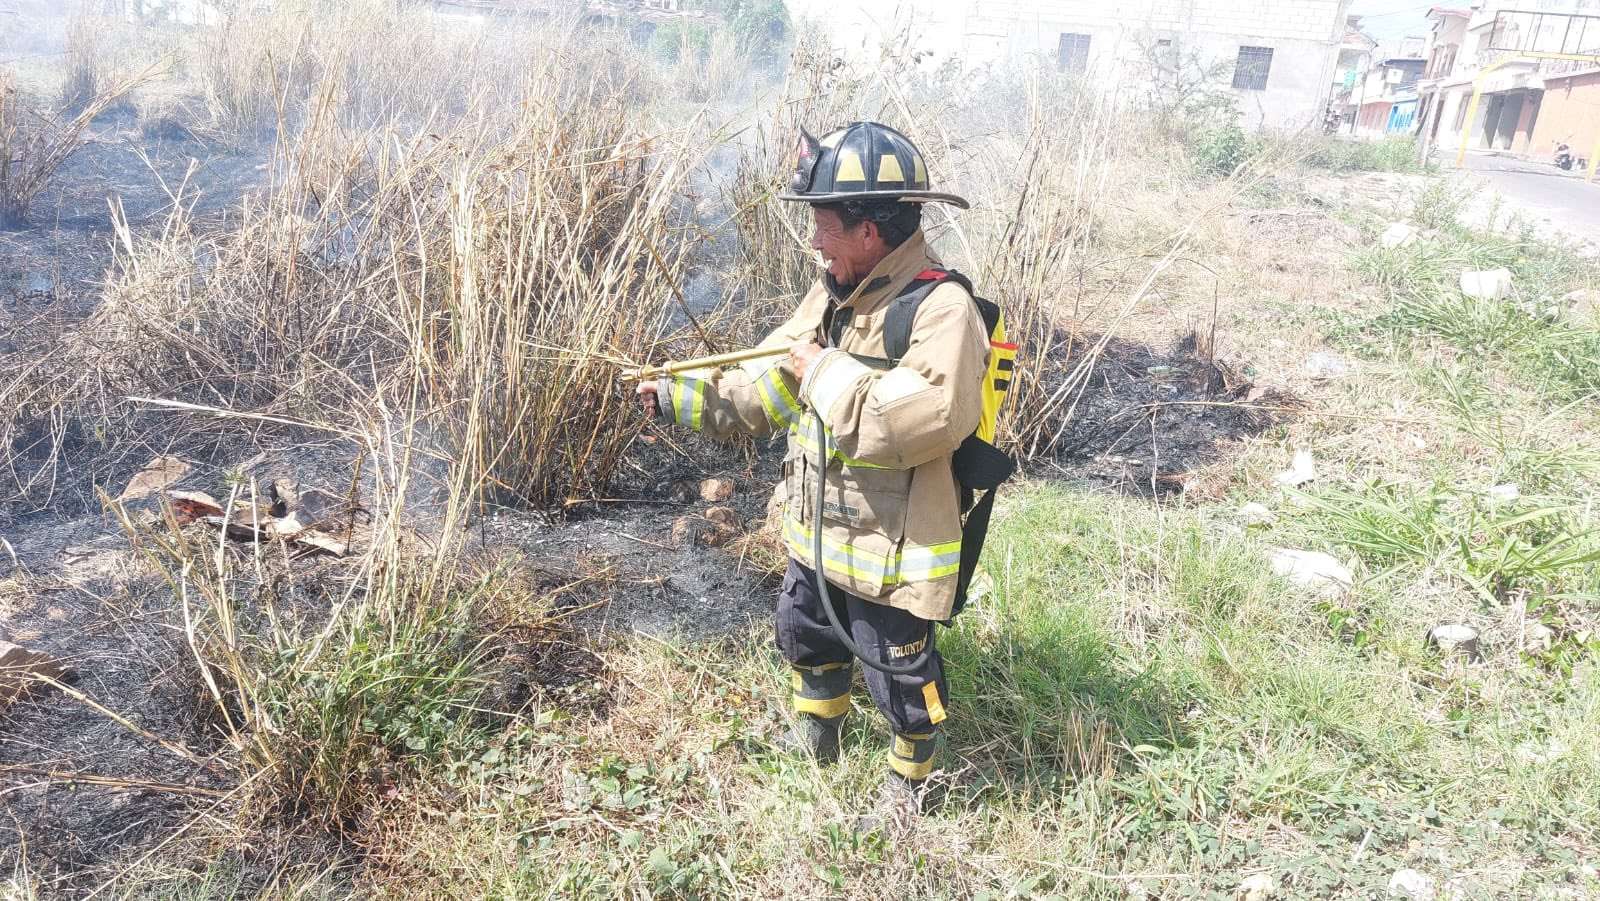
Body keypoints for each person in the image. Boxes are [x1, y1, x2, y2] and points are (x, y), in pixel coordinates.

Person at [637, 121, 990, 813]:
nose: (814, 241)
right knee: (806, 632)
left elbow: (923, 421)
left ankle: (910, 781)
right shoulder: (833, 297)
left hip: (893, 552)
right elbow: (768, 383)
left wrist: (825, 371)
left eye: (824, 225)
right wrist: (678, 398)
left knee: (898, 668)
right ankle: (817, 733)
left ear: (869, 229)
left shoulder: (942, 309)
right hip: (819, 536)